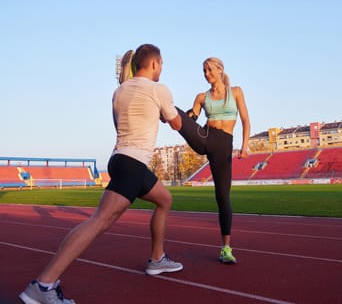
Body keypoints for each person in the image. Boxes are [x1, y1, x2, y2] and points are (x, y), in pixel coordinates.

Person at [19, 44, 184, 304]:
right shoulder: (159, 90)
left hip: (122, 160)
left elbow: (121, 124)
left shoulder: (119, 91)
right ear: (154, 63)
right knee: (98, 222)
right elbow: (177, 123)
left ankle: (156, 259)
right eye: (162, 64)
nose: (162, 68)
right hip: (133, 164)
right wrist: (167, 113)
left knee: (164, 199)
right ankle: (43, 285)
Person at [176, 57, 250, 264]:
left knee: (222, 196)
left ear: (220, 70)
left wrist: (244, 147)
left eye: (210, 70)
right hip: (205, 137)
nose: (207, 74)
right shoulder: (201, 97)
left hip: (223, 145)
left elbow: (245, 120)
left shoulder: (235, 92)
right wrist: (184, 119)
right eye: (204, 71)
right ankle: (163, 108)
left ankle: (226, 248)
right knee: (175, 112)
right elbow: (192, 118)